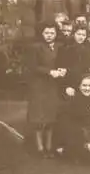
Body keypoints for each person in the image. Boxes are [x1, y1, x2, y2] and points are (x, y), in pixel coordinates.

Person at [25, 22, 65, 158]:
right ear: (42, 33)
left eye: (52, 33)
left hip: (53, 86)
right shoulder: (36, 48)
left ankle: (49, 147)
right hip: (40, 86)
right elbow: (32, 67)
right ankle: (40, 148)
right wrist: (49, 71)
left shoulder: (59, 47)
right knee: (39, 118)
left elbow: (61, 62)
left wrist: (61, 69)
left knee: (51, 117)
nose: (49, 36)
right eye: (47, 33)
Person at [61, 74, 90, 163]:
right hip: (77, 131)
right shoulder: (74, 101)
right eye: (84, 85)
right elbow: (75, 119)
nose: (87, 88)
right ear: (79, 87)